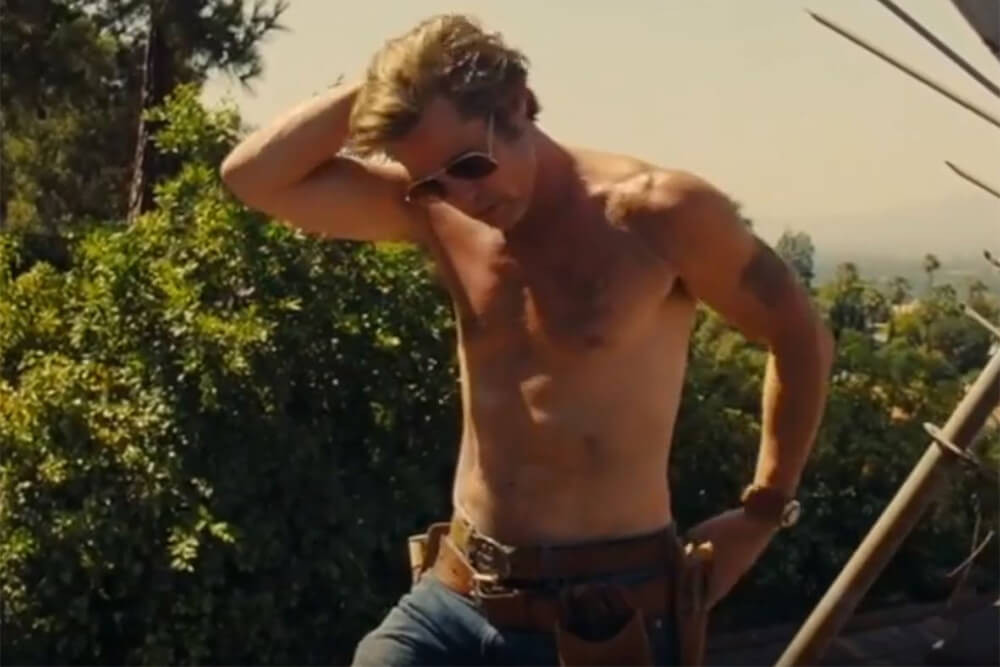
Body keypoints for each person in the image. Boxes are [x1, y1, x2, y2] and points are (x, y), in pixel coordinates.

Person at [220, 14, 834, 666]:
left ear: (516, 104)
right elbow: (253, 178)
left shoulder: (658, 214)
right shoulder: (434, 210)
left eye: (470, 164)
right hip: (457, 590)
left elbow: (800, 334)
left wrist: (765, 507)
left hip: (605, 612)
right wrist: (381, 87)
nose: (463, 196)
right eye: (434, 179)